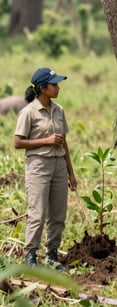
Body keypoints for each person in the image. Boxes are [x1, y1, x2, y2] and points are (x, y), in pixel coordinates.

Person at [14, 67, 77, 270]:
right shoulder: (28, 112)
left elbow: (63, 142)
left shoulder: (59, 110)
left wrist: (71, 172)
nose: (58, 88)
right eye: (54, 85)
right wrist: (46, 141)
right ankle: (30, 256)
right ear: (42, 88)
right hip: (39, 166)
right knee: (38, 213)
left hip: (59, 165)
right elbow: (18, 143)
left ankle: (52, 255)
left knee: (58, 214)